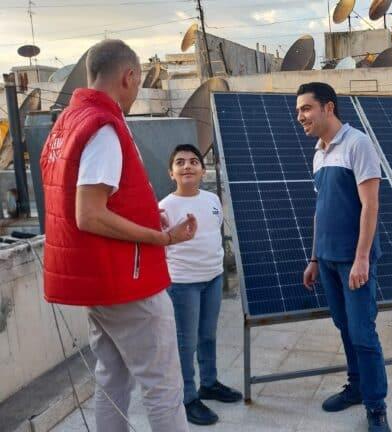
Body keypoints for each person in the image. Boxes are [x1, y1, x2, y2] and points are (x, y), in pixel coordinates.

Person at [39, 39, 196, 432]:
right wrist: (161, 238)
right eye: (138, 81)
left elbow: (98, 198)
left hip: (98, 279)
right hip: (127, 281)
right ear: (128, 77)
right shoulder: (103, 127)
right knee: (163, 386)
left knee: (112, 379)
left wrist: (148, 215)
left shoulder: (67, 123)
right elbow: (89, 214)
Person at [297, 82, 390, 432]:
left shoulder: (357, 143)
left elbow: (370, 205)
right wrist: (314, 258)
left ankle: (376, 407)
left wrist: (362, 258)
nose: (300, 116)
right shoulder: (319, 153)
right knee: (345, 328)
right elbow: (320, 210)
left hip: (354, 261)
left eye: (306, 108)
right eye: (298, 111)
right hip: (328, 259)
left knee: (363, 333)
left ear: (328, 108)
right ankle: (356, 387)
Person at [160, 144, 243, 426]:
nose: (187, 166)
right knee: (186, 342)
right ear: (171, 173)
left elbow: (214, 232)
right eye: (180, 162)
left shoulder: (212, 199)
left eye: (194, 161)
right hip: (183, 283)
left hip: (213, 278)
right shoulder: (164, 207)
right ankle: (187, 397)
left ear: (202, 170)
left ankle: (209, 383)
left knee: (207, 335)